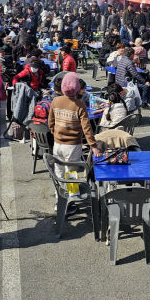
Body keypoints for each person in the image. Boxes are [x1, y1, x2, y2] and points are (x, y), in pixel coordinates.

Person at [48, 73, 101, 211]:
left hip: (57, 144)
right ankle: (70, 200)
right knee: (71, 172)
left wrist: (56, 133)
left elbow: (50, 123)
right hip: (72, 145)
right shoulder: (80, 105)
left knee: (59, 171)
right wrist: (93, 145)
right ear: (77, 88)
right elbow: (87, 128)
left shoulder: (55, 101)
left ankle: (59, 199)